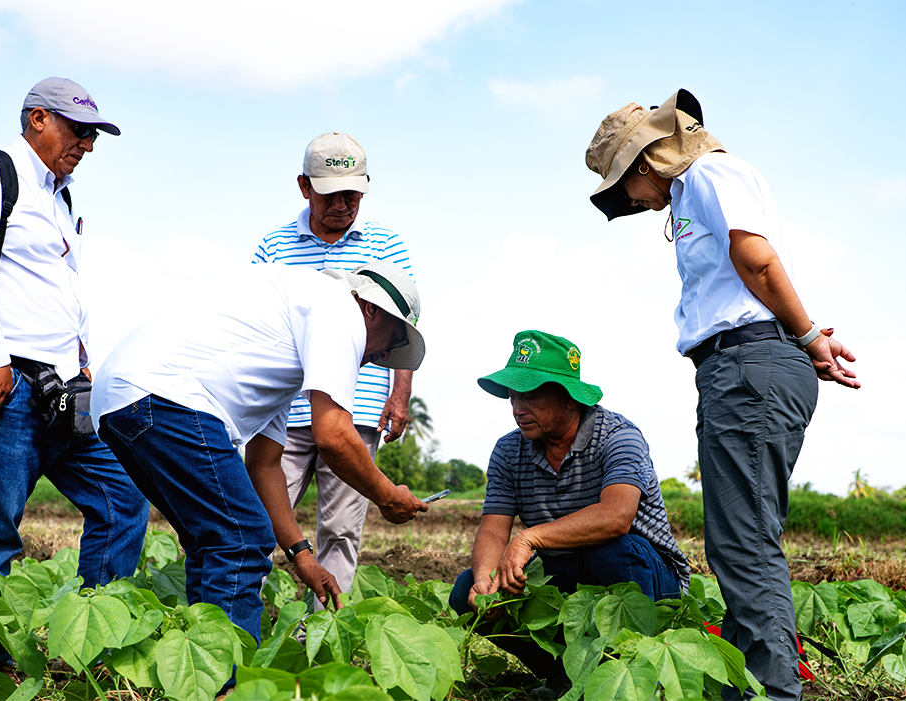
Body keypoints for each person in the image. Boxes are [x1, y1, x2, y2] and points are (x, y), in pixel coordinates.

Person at [585, 88, 861, 701]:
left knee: (743, 542)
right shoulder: (686, 193)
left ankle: (773, 691)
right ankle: (742, 686)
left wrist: (808, 337)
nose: (628, 199)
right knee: (739, 539)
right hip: (738, 365)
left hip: (747, 362)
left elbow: (755, 261)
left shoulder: (712, 170)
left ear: (642, 162)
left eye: (623, 184)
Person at [89, 260, 430, 649]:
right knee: (240, 538)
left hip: (121, 402)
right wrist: (387, 495)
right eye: (397, 337)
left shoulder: (289, 340)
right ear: (371, 308)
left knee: (213, 542)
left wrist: (302, 556)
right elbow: (333, 435)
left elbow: (264, 465)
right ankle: (229, 683)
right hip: (166, 398)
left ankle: (206, 671)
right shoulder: (338, 307)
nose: (388, 353)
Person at [0, 78, 148, 606]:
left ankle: (95, 634)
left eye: (93, 135)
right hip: (5, 382)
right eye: (80, 130)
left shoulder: (60, 194)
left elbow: (61, 286)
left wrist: (83, 361)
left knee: (123, 498)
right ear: (38, 119)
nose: (88, 145)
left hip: (63, 384)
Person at [450, 330, 689, 700]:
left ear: (569, 400)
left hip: (648, 579)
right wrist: (486, 581)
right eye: (513, 396)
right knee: (466, 589)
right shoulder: (509, 449)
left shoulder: (619, 436)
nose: (517, 407)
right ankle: (565, 677)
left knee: (613, 550)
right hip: (563, 574)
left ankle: (634, 674)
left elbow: (616, 517)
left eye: (530, 395)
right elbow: (493, 529)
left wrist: (529, 537)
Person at [251, 132, 417, 597]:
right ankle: (246, 621)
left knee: (341, 531)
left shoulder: (385, 245)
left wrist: (399, 394)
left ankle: (321, 637)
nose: (344, 205)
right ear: (304, 187)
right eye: (332, 194)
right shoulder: (275, 246)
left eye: (354, 194)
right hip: (284, 411)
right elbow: (256, 315)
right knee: (261, 524)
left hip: (356, 405)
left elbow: (403, 323)